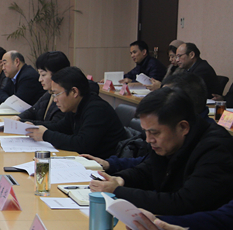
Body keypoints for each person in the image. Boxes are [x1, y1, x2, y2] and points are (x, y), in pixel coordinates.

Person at [88, 87, 233, 215]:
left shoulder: (216, 149)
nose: (148, 139)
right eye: (145, 132)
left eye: (154, 133)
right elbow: (149, 169)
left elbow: (182, 203)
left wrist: (118, 191)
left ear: (183, 127)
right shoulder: (171, 142)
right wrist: (121, 179)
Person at [81, 71, 210, 174]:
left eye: (166, 96)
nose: (149, 139)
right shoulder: (167, 136)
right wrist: (110, 165)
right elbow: (147, 164)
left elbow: (181, 196)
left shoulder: (209, 147)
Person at [26, 66, 128, 157]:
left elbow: (82, 144)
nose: (55, 100)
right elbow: (60, 127)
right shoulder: (76, 106)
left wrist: (46, 135)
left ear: (74, 92)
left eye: (57, 94)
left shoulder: (97, 109)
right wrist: (31, 125)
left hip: (105, 165)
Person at [18, 51, 71, 126]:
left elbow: (55, 125)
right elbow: (33, 110)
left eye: (43, 75)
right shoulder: (48, 93)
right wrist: (18, 117)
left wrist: (22, 122)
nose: (40, 79)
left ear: (57, 74)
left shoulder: (65, 97)